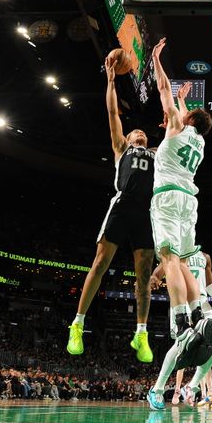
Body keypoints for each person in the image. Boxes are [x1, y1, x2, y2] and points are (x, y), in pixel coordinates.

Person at [67, 53, 156, 363]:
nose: (140, 133)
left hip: (147, 212)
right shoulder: (121, 149)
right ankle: (77, 324)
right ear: (128, 139)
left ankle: (141, 334)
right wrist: (110, 80)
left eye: (143, 133)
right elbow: (112, 111)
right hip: (122, 206)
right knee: (101, 263)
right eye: (136, 133)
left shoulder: (158, 154)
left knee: (144, 277)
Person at [143, 39, 212, 408]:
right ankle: (199, 310)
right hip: (190, 201)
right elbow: (186, 118)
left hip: (168, 197)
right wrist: (186, 101)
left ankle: (179, 319)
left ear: (186, 119)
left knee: (169, 259)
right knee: (184, 261)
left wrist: (157, 61)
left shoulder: (175, 124)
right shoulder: (199, 142)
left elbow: (161, 90)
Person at [148, 250, 212, 410]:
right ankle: (157, 390)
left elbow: (209, 283)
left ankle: (192, 386)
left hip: (202, 302)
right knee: (180, 346)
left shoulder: (205, 256)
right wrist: (154, 278)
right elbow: (159, 270)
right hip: (181, 302)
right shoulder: (174, 252)